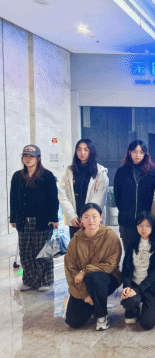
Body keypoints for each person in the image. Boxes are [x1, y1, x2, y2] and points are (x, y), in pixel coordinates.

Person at [64, 203, 122, 330]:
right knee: (73, 321)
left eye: (94, 216)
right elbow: (70, 269)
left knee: (94, 277)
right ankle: (94, 303)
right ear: (81, 219)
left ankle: (102, 316)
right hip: (83, 284)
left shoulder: (110, 237)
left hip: (107, 279)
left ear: (101, 217)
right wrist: (86, 295)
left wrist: (85, 271)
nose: (91, 221)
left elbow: (111, 265)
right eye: (86, 217)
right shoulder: (76, 240)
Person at [10, 145, 59, 292]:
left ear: (38, 158)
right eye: (25, 156)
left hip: (43, 220)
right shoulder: (17, 176)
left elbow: (53, 198)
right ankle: (28, 280)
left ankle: (46, 281)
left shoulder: (47, 175)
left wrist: (54, 218)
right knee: (25, 253)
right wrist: (13, 218)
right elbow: (13, 198)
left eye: (31, 156)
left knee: (43, 252)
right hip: (23, 220)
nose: (28, 159)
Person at [120, 211, 155, 330]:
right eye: (140, 225)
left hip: (151, 286)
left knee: (147, 324)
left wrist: (138, 290)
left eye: (147, 225)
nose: (143, 229)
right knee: (128, 301)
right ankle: (133, 309)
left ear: (153, 227)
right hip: (134, 283)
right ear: (136, 226)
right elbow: (126, 268)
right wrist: (127, 286)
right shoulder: (132, 243)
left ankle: (149, 305)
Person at [59, 139, 109, 238]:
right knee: (76, 246)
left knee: (94, 246)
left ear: (91, 151)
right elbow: (63, 195)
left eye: (86, 149)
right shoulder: (70, 171)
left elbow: (99, 198)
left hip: (92, 221)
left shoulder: (100, 172)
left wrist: (86, 218)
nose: (82, 153)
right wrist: (71, 216)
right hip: (75, 221)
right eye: (79, 149)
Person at [114, 140, 155, 250]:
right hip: (126, 221)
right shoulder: (121, 172)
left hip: (146, 221)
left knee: (145, 253)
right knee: (129, 253)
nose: (138, 155)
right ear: (129, 152)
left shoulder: (153, 173)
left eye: (141, 152)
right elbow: (118, 196)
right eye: (134, 151)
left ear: (145, 154)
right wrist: (124, 211)